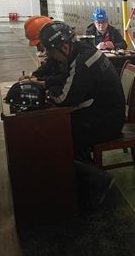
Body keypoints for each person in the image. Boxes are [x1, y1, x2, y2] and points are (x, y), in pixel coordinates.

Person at [39, 21, 125, 207]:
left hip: (107, 122)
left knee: (61, 137)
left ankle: (98, 181)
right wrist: (47, 83)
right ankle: (87, 173)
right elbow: (68, 78)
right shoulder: (82, 51)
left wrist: (49, 91)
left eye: (53, 53)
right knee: (65, 130)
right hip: (105, 114)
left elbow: (65, 99)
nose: (53, 58)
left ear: (64, 47)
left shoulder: (83, 61)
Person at [21, 15, 65, 89]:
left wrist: (40, 80)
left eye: (38, 44)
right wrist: (34, 76)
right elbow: (48, 66)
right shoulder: (55, 53)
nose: (39, 50)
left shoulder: (66, 54)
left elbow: (65, 78)